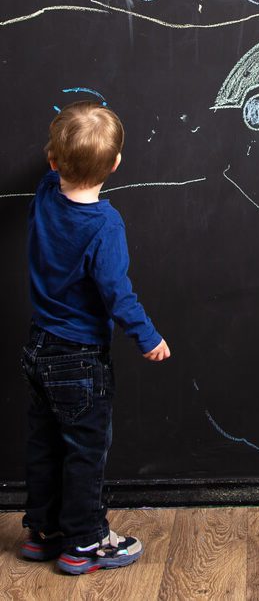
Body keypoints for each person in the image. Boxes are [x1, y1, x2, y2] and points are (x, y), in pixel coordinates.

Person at [20, 101, 171, 575]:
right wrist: (147, 337)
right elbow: (117, 293)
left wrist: (62, 154)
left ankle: (42, 531)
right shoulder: (106, 225)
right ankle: (84, 540)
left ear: (51, 162)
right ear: (116, 166)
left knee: (45, 444)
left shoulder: (45, 194)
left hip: (39, 346)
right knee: (85, 451)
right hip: (79, 359)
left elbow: (58, 173)